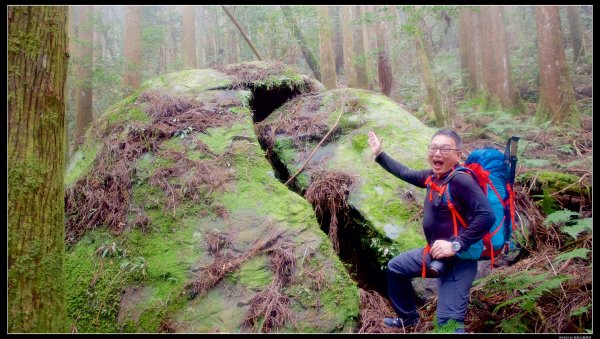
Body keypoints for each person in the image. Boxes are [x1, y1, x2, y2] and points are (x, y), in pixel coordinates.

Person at [367, 129, 496, 333]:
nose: (438, 154)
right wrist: (380, 155)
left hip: (459, 261)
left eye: (445, 149)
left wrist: (456, 244)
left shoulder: (461, 181)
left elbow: (487, 215)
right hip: (435, 255)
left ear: (458, 155)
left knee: (447, 325)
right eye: (434, 148)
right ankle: (409, 320)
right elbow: (405, 172)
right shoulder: (433, 177)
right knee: (396, 268)